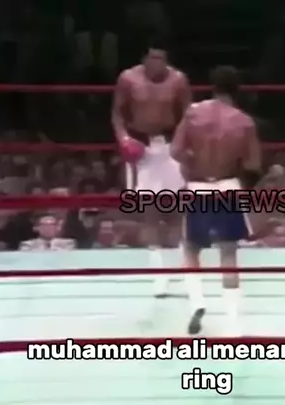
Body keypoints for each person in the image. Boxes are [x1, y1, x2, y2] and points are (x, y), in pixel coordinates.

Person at [171, 65, 262, 336]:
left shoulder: (193, 113)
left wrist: (193, 163)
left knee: (191, 248)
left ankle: (197, 302)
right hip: (228, 186)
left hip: (198, 186)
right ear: (237, 90)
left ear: (213, 86)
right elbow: (253, 164)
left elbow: (175, 150)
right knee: (228, 253)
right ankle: (232, 322)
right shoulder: (244, 121)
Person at [112, 40, 194, 301]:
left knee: (177, 211)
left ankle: (185, 269)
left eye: (162, 58)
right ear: (144, 58)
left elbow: (188, 115)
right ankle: (159, 273)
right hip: (140, 147)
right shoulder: (128, 78)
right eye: (153, 57)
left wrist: (184, 145)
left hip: (170, 146)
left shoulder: (178, 79)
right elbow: (117, 114)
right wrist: (124, 139)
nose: (158, 63)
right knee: (149, 212)